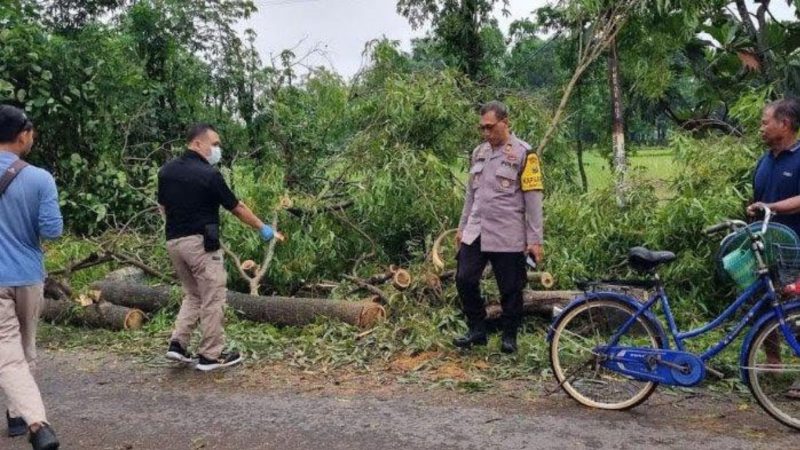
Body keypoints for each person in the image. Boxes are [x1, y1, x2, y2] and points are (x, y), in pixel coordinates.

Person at [158, 123, 283, 372]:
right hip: (201, 245)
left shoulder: (166, 171)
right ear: (197, 144)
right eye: (214, 144)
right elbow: (236, 207)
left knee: (193, 294)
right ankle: (211, 356)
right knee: (213, 297)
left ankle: (178, 345)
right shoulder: (209, 174)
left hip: (174, 242)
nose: (217, 149)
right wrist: (263, 227)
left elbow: (162, 206)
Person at [453, 101, 544, 354]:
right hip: (477, 229)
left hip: (508, 232)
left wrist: (535, 240)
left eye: (490, 127)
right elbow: (470, 195)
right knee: (464, 278)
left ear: (505, 122)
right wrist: (462, 228)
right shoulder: (478, 152)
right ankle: (477, 330)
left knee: (511, 288)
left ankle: (509, 336)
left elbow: (534, 199)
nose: (485, 133)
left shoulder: (525, 154)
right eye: (482, 128)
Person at [0, 105, 62, 450]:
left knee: (7, 353)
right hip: (27, 275)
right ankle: (33, 421)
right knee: (24, 348)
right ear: (22, 135)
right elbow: (52, 231)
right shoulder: (40, 178)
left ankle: (22, 417)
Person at [746, 97, 800, 398]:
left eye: (766, 122)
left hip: (796, 248)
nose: (761, 127)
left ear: (785, 124)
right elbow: (759, 197)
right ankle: (773, 362)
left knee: (796, 311)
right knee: (764, 305)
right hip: (764, 248)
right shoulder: (765, 160)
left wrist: (771, 207)